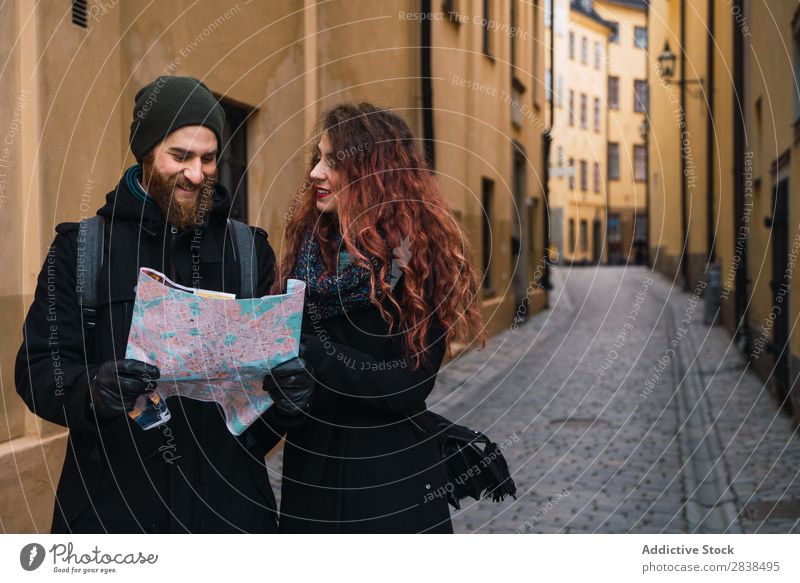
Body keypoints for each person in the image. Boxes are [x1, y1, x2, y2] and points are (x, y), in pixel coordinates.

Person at [15, 76, 314, 533]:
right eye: (180, 156)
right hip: (113, 514)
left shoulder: (249, 252)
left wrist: (290, 398)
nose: (197, 173)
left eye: (208, 158)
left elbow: (267, 398)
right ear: (146, 153)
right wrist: (91, 391)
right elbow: (37, 371)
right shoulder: (82, 250)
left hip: (228, 513)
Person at [274, 102, 485, 533]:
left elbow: (408, 383)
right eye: (317, 157)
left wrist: (310, 355)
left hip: (390, 481)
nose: (315, 172)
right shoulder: (310, 252)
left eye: (332, 161)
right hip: (313, 478)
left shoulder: (418, 262)